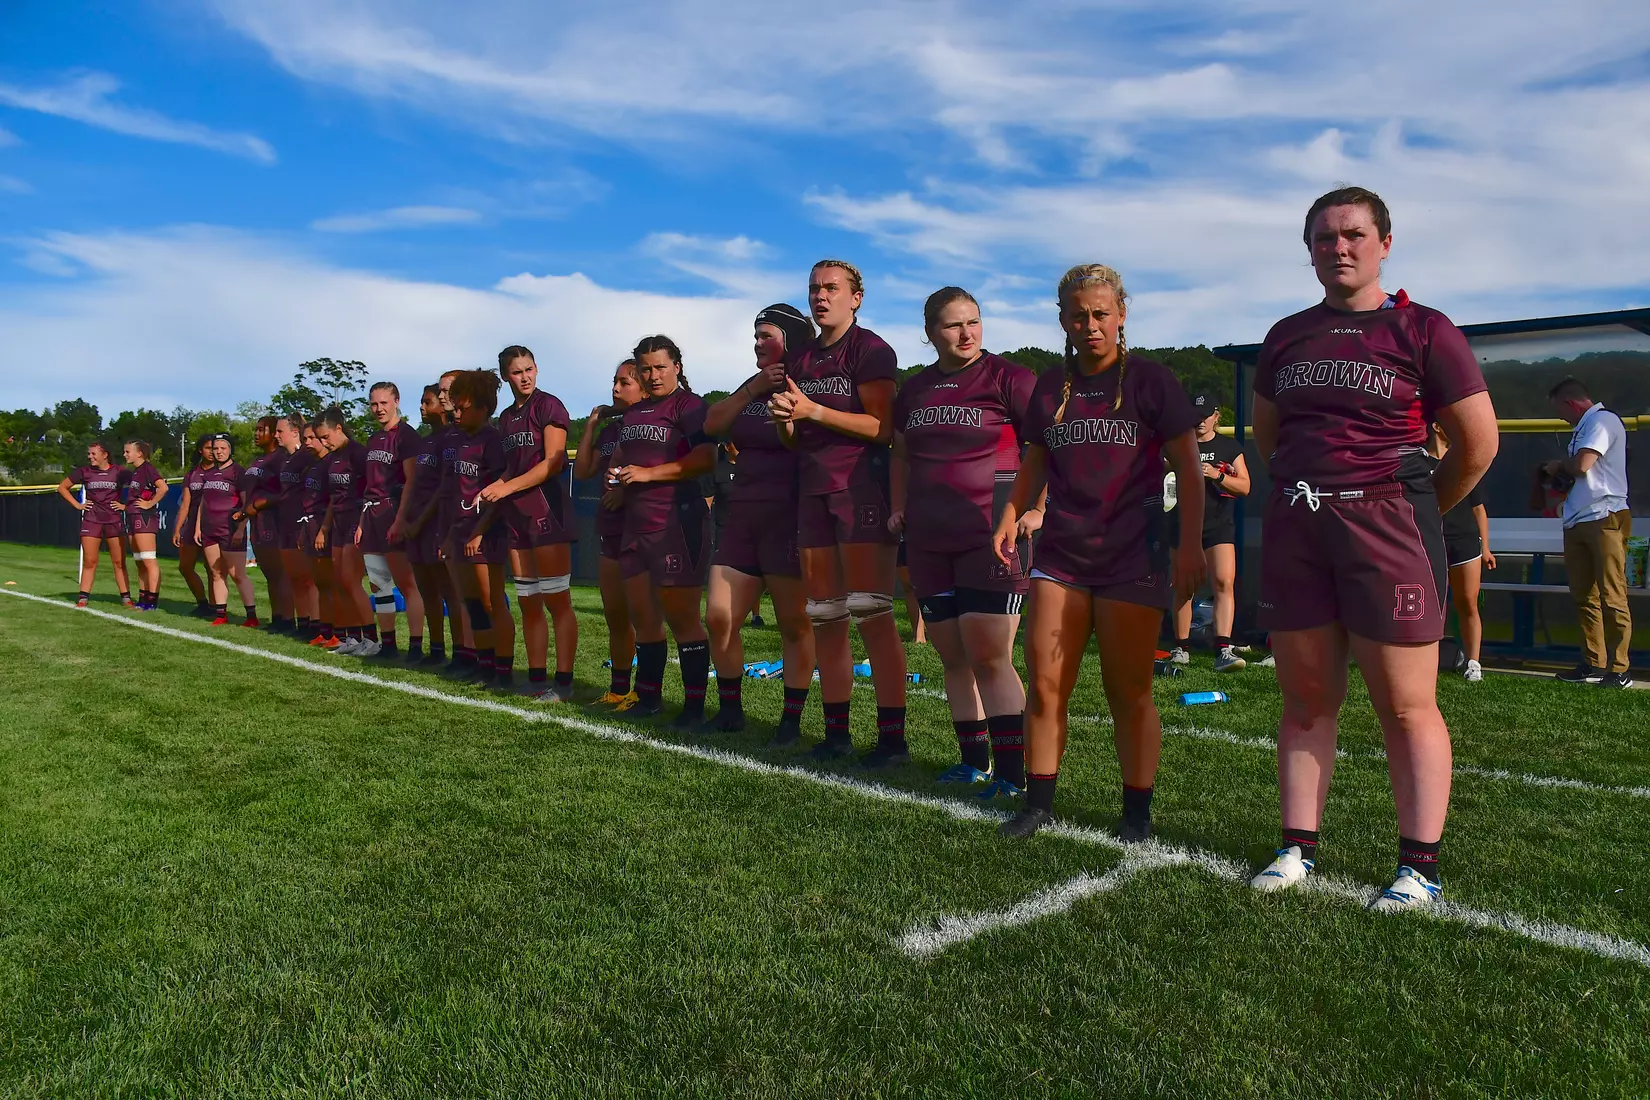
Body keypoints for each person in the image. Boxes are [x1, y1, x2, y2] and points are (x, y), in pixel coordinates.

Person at [1247, 186, 1497, 911]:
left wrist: (1415, 509)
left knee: (1406, 704)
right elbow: (1271, 438)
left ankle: (1418, 865)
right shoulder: (1287, 334)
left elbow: (1479, 445)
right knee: (1305, 699)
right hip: (1300, 525)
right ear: (1310, 251)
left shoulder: (1425, 328)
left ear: (1385, 242)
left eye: (1353, 235)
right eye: (1324, 238)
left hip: (1388, 528)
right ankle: (1297, 844)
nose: (1339, 248)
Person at [993, 264, 1205, 842]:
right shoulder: (1049, 385)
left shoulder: (1152, 380)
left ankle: (1136, 812)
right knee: (1045, 684)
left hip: (1131, 556)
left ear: (1121, 315)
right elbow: (1034, 461)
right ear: (1063, 318)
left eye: (1100, 313)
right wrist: (1011, 515)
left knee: (1129, 690)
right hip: (1061, 554)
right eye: (1078, 314)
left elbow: (1189, 468)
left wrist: (1189, 544)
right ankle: (1038, 803)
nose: (1089, 324)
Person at [890, 287, 1037, 798]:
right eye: (953, 325)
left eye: (973, 321)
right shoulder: (913, 392)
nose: (966, 333)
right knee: (952, 655)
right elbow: (901, 456)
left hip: (992, 535)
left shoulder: (1009, 378)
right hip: (930, 538)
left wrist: (1037, 510)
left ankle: (1013, 774)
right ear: (931, 332)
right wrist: (897, 505)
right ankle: (973, 761)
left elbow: (1047, 448)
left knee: (990, 654)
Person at [768, 260, 909, 766]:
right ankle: (837, 733)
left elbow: (883, 428)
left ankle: (893, 739)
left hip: (860, 491)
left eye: (831, 288)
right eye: (813, 289)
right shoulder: (801, 358)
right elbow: (794, 437)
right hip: (812, 491)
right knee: (825, 615)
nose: (820, 296)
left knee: (871, 613)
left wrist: (815, 411)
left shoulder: (871, 350)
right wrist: (786, 419)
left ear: (857, 297)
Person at [701, 304, 819, 740]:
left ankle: (790, 720)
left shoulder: (809, 384)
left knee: (793, 622)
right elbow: (712, 423)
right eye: (754, 336)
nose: (756, 343)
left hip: (788, 517)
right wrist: (752, 388)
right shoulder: (751, 387)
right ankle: (730, 710)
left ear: (789, 339)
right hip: (742, 516)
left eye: (765, 335)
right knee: (718, 616)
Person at [609, 335, 716, 722]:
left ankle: (693, 706)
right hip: (636, 526)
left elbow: (706, 458)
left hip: (677, 522)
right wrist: (616, 474)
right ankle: (648, 696)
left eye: (660, 367)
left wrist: (649, 474)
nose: (653, 375)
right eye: (646, 369)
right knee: (643, 617)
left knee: (683, 618)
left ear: (677, 367)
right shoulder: (633, 414)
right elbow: (624, 459)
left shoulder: (690, 406)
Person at [478, 346, 580, 700]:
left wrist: (507, 486)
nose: (524, 377)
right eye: (517, 372)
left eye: (529, 369)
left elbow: (553, 463)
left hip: (547, 512)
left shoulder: (549, 405)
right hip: (517, 517)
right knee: (528, 602)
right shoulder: (506, 418)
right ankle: (537, 679)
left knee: (557, 601)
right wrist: (495, 486)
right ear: (506, 376)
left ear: (537, 369)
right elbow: (512, 466)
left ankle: (564, 683)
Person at [1545, 378, 1634, 688]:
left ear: (1571, 403)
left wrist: (1558, 466)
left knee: (1612, 594)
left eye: (1560, 411)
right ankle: (1593, 662)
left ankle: (1620, 668)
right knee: (1585, 596)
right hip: (1578, 518)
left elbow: (1583, 465)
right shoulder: (1582, 428)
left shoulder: (1602, 420)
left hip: (1605, 515)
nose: (1562, 418)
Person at [572, 360, 645, 707]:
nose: (615, 389)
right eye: (613, 382)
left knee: (645, 617)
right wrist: (590, 426)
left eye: (623, 382)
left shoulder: (652, 425)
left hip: (642, 531)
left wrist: (625, 493)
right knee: (615, 615)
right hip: (610, 530)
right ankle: (619, 688)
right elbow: (584, 469)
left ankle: (646, 692)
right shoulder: (611, 430)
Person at [1167, 392, 1251, 671]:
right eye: (1195, 416)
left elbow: (1246, 486)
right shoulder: (1178, 444)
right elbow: (1161, 473)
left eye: (1205, 415)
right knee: (1183, 587)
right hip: (1184, 525)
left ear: (1217, 416)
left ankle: (1223, 650)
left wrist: (1218, 475)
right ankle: (1181, 648)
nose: (1200, 421)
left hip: (1218, 526)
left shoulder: (1230, 446)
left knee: (1224, 582)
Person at [444, 370, 515, 688]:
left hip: (486, 532)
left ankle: (503, 669)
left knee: (492, 601)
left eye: (462, 407)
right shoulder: (459, 441)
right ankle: (483, 664)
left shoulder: (493, 440)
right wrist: (451, 534)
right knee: (471, 601)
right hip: (460, 531)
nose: (456, 413)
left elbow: (498, 495)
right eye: (454, 407)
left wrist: (480, 531)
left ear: (484, 407)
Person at [356, 383, 426, 662]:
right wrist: (362, 521)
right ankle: (388, 645)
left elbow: (412, 481)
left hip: (392, 512)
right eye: (374, 404)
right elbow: (368, 486)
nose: (379, 409)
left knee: (407, 584)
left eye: (384, 403)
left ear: (396, 401)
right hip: (371, 515)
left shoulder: (407, 436)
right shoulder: (373, 439)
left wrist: (400, 519)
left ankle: (416, 647)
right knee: (378, 583)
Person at [1427, 422, 1495, 682]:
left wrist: (1486, 547)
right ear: (1436, 426)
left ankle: (1473, 663)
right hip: (1432, 541)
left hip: (1465, 542)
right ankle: (1432, 659)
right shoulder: (1417, 465)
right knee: (1433, 604)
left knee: (1467, 602)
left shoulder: (1462, 463)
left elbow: (1478, 508)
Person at [394, 384, 454, 667]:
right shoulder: (425, 442)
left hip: (434, 524)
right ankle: (436, 649)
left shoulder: (449, 439)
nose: (422, 407)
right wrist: (407, 518)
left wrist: (420, 521)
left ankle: (465, 653)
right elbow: (415, 484)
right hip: (416, 525)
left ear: (443, 405)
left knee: (448, 592)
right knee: (426, 590)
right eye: (421, 401)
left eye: (427, 402)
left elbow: (443, 488)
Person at [314, 407, 377, 655]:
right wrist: (325, 527)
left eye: (325, 437)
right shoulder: (332, 459)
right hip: (338, 524)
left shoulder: (358, 454)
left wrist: (363, 524)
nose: (322, 442)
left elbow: (370, 491)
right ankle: (351, 638)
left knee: (351, 581)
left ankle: (371, 639)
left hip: (356, 521)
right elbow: (333, 498)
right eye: (319, 438)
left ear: (338, 428)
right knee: (340, 582)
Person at [58, 441, 132, 608]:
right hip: (92, 520)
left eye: (93, 454)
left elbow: (140, 487)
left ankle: (126, 598)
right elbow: (62, 487)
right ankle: (83, 597)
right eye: (89, 454)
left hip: (114, 520)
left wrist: (126, 505)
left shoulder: (120, 472)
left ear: (105, 455)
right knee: (90, 561)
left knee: (119, 562)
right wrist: (78, 505)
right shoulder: (84, 471)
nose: (90, 456)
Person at [195, 434, 259, 627]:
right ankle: (221, 614)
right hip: (209, 529)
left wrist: (241, 528)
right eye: (215, 449)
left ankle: (251, 616)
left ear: (230, 449)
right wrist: (198, 527)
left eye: (223, 448)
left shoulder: (238, 472)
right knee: (216, 573)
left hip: (229, 529)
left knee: (237, 574)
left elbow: (247, 503)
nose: (219, 452)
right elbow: (203, 502)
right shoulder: (207, 473)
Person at [241, 416, 295, 633]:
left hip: (274, 520)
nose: (256, 433)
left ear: (274, 432)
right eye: (255, 429)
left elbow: (286, 492)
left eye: (261, 430)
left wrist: (261, 503)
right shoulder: (258, 460)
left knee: (280, 573)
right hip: (257, 522)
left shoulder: (281, 458)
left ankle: (288, 620)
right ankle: (277, 617)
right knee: (269, 573)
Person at [272, 415, 320, 640]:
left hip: (302, 522)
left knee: (308, 577)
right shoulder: (286, 459)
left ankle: (316, 623)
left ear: (294, 432)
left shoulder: (306, 457)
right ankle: (303, 623)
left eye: (280, 431)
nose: (276, 435)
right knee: (294, 578)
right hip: (286, 522)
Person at [297, 423, 339, 648]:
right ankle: (325, 631)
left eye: (311, 438)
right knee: (319, 583)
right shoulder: (312, 466)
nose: (308, 443)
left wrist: (324, 529)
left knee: (330, 582)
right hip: (310, 525)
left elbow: (334, 499)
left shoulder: (331, 463)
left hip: (326, 526)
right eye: (304, 439)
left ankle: (337, 631)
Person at [118, 440, 166, 610]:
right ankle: (143, 599)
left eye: (127, 451)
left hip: (144, 517)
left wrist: (149, 503)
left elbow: (163, 488)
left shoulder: (148, 469)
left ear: (139, 453)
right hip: (132, 516)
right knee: (139, 561)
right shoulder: (136, 472)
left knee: (148, 560)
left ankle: (152, 601)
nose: (125, 455)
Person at [174, 435, 214, 616]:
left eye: (215, 448)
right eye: (208, 448)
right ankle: (202, 603)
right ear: (200, 450)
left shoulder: (222, 471)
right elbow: (185, 503)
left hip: (213, 524)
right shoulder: (192, 474)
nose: (212, 452)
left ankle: (217, 607)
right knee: (185, 566)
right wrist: (178, 528)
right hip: (192, 525)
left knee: (212, 569)